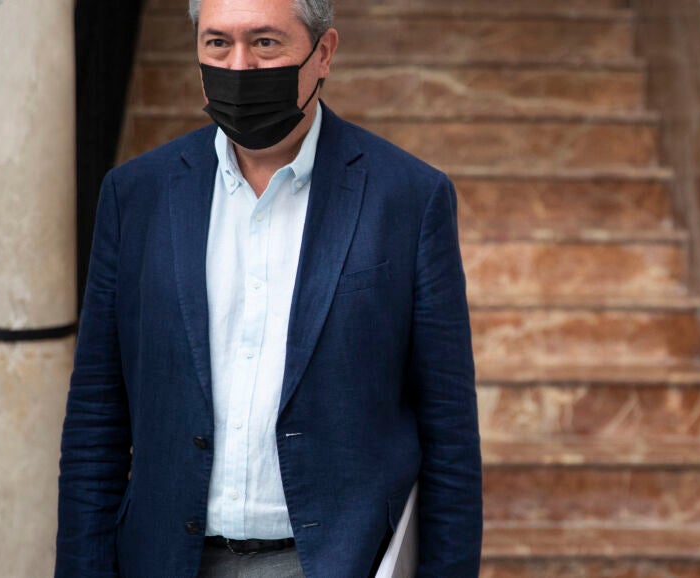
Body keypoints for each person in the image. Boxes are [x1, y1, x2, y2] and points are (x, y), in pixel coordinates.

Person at [54, 0, 483, 575]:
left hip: (333, 561)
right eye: (217, 43)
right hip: (166, 557)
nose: (239, 67)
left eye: (264, 43)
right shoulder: (136, 196)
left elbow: (449, 430)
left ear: (323, 53)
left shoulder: (407, 197)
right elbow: (95, 419)